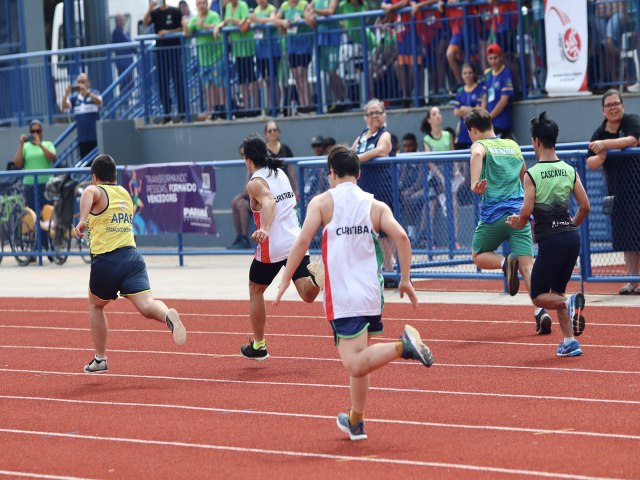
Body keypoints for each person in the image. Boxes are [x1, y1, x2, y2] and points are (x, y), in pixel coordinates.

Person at [273, 145, 433, 441]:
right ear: (358, 174)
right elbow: (401, 237)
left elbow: (301, 242)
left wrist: (285, 280)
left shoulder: (322, 203)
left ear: (330, 173)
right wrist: (406, 279)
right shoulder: (376, 205)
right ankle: (356, 420)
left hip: (344, 298)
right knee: (361, 359)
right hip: (371, 294)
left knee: (354, 362)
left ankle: (403, 346)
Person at [74, 154, 187, 373]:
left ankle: (100, 359)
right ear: (115, 175)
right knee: (146, 304)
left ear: (95, 177)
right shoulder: (125, 194)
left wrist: (81, 220)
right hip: (132, 257)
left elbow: (89, 192)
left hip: (107, 259)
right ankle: (166, 315)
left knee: (96, 305)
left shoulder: (95, 190)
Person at [507, 112, 590, 356]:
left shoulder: (532, 174)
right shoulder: (569, 169)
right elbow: (585, 206)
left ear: (536, 142)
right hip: (571, 238)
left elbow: (527, 210)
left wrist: (517, 221)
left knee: (539, 296)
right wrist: (571, 225)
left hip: (551, 240)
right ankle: (569, 341)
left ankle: (571, 303)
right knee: (557, 292)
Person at [464, 107, 551, 335]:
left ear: (473, 130)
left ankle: (504, 264)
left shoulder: (479, 145)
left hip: (494, 216)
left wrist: (474, 183)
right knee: (528, 266)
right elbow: (524, 176)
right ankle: (541, 311)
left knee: (478, 255)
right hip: (519, 215)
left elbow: (475, 155)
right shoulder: (513, 145)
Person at [240, 134, 321, 359]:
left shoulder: (254, 182)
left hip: (272, 245)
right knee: (307, 293)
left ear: (248, 160)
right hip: (295, 240)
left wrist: (265, 228)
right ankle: (317, 279)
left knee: (256, 289)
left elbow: (268, 201)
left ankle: (259, 345)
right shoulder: (280, 173)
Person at [586, 89, 640, 294]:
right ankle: (633, 281)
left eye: (616, 103)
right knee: (628, 242)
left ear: (622, 105)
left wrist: (605, 146)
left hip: (638, 189)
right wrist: (600, 157)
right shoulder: (599, 132)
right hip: (619, 194)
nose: (613, 107)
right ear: (603, 110)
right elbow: (590, 161)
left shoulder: (631, 121)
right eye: (608, 105)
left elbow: (632, 140)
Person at [351, 99, 397, 288]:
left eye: (378, 112)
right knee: (365, 231)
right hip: (363, 190)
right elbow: (350, 152)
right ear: (365, 117)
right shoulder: (362, 136)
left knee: (385, 233)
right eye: (370, 113)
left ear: (383, 115)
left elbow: (383, 150)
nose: (374, 116)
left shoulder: (384, 134)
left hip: (382, 188)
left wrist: (357, 159)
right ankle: (371, 272)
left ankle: (390, 271)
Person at [13, 119, 56, 255]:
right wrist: (21, 145)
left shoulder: (47, 144)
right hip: (31, 185)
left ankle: (47, 244)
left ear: (42, 132)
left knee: (47, 214)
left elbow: (53, 158)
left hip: (46, 185)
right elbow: (18, 163)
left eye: (38, 131)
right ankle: (35, 246)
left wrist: (40, 145)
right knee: (33, 215)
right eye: (33, 131)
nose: (35, 133)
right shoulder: (25, 147)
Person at [144, 0, 186, 124]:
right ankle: (167, 113)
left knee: (178, 81)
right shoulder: (155, 13)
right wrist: (149, 9)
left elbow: (181, 28)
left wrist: (167, 32)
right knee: (163, 84)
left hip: (175, 52)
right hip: (161, 53)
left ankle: (183, 112)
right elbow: (146, 22)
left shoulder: (175, 11)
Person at [184, 0, 226, 121]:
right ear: (196, 6)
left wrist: (203, 26)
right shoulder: (195, 19)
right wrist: (186, 26)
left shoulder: (213, 15)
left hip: (217, 55)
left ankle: (221, 109)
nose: (201, 6)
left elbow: (218, 25)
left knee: (219, 83)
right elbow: (187, 33)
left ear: (207, 4)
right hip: (203, 58)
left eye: (203, 3)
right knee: (207, 85)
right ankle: (211, 110)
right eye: (199, 4)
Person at [61, 73, 103, 159]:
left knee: (96, 163)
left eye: (83, 81)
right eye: (79, 82)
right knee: (85, 163)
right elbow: (64, 106)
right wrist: (66, 94)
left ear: (88, 83)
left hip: (95, 137)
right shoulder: (74, 98)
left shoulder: (94, 93)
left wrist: (87, 93)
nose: (81, 84)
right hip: (82, 138)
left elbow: (100, 102)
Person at [484, 43, 515, 141]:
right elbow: (485, 96)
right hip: (489, 123)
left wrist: (489, 117)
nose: (493, 61)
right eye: (491, 58)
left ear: (501, 57)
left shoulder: (505, 74)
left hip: (501, 123)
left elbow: (504, 101)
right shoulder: (488, 74)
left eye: (495, 58)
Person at [453, 63, 487, 150]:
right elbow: (456, 112)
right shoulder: (460, 91)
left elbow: (481, 112)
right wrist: (473, 109)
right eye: (465, 73)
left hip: (477, 132)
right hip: (463, 133)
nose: (467, 75)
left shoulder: (481, 89)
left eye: (470, 73)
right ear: (461, 75)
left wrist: (463, 109)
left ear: (474, 74)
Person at [264, 120, 298, 199]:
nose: (273, 132)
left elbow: (291, 170)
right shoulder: (263, 151)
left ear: (279, 132)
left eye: (275, 130)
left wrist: (296, 189)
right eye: (270, 131)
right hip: (269, 188)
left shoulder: (285, 148)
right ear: (265, 134)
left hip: (285, 186)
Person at [229, 144, 252, 249]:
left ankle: (244, 239)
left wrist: (241, 196)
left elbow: (253, 191)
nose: (245, 158)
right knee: (235, 203)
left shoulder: (257, 167)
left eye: (247, 155)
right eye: (242, 155)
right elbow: (247, 191)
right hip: (253, 200)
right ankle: (239, 237)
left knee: (242, 204)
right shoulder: (248, 169)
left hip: (264, 202)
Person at [111, 14, 136, 93]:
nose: (122, 22)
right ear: (116, 22)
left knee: (130, 82)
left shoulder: (125, 32)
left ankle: (127, 100)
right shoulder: (116, 32)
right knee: (124, 82)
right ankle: (124, 102)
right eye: (120, 20)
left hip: (128, 61)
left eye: (123, 20)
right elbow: (128, 42)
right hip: (122, 62)